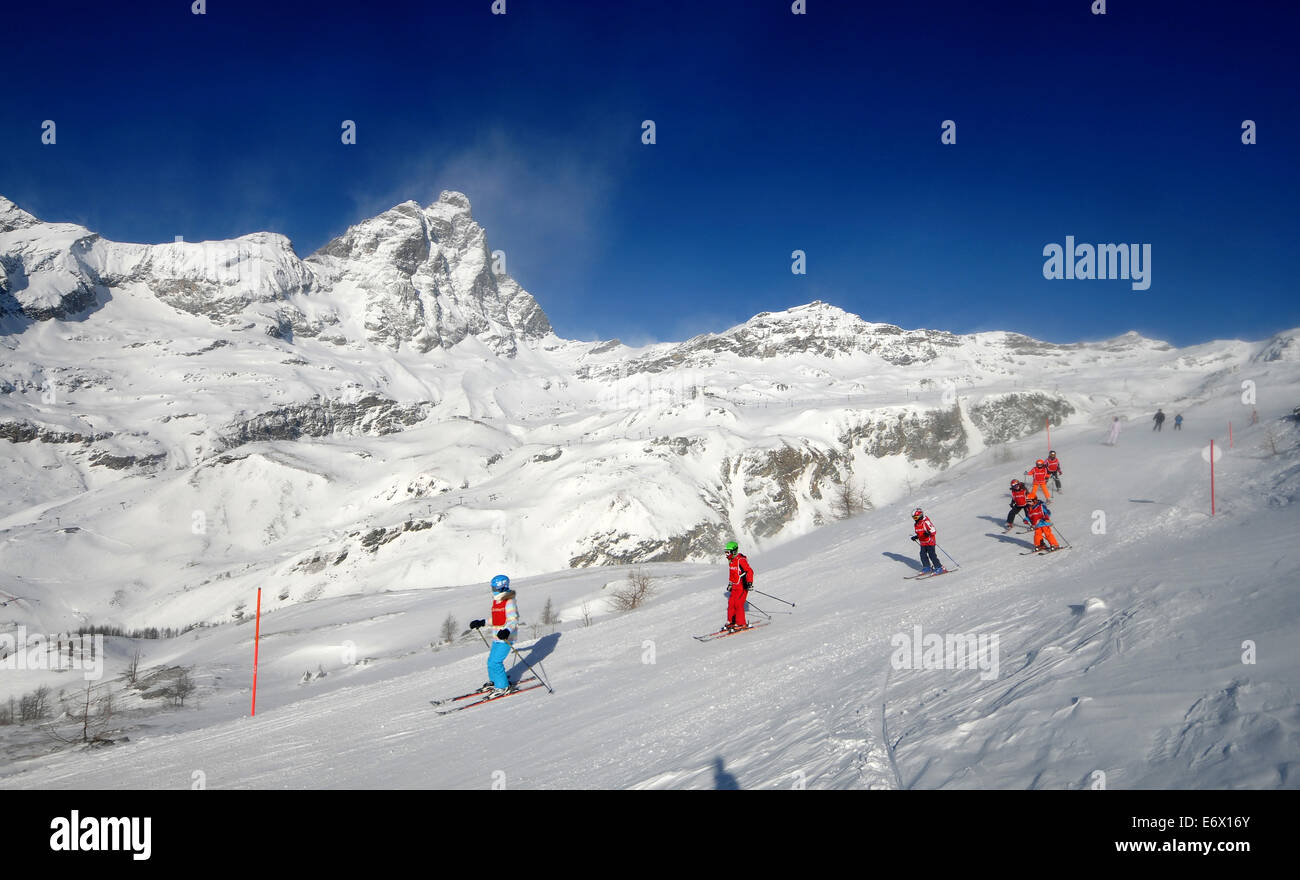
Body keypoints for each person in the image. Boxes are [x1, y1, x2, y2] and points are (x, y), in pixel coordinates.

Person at [469, 574, 519, 696]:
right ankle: (495, 681)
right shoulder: (497, 601)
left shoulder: (509, 602)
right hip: (497, 637)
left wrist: (507, 631)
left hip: (506, 638)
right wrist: (482, 622)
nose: (493, 591)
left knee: (496, 662)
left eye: (495, 589)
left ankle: (503, 687)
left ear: (502, 588)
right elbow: (497, 619)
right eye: (492, 588)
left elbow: (513, 620)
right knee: (491, 661)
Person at [723, 541, 754, 631]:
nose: (726, 554)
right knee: (731, 603)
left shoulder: (741, 560)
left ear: (733, 551)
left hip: (742, 586)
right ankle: (731, 622)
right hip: (735, 586)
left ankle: (741, 623)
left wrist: (749, 583)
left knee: (738, 604)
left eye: (728, 552)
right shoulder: (731, 561)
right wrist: (730, 584)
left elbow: (749, 571)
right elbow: (732, 574)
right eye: (725, 552)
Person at [910, 509, 944, 574]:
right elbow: (919, 533)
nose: (915, 519)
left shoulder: (926, 522)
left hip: (930, 542)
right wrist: (916, 537)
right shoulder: (916, 524)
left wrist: (928, 533)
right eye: (914, 518)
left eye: (916, 517)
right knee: (922, 555)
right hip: (923, 543)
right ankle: (927, 567)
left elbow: (933, 531)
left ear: (920, 516)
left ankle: (939, 567)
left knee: (932, 555)